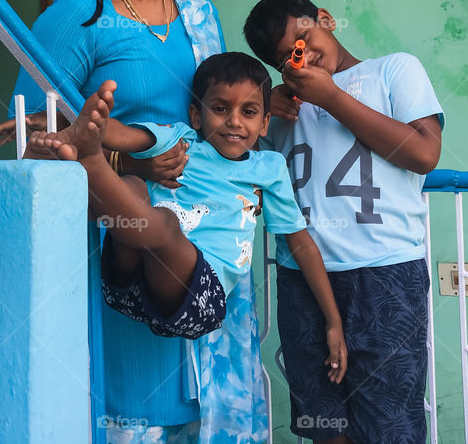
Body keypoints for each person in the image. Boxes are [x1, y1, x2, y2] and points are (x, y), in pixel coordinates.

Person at [0, 0, 267, 443]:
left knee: (204, 408)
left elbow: (220, 113)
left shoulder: (198, 9)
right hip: (119, 232)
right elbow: (31, 140)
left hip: (206, 229)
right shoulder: (77, 15)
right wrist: (131, 165)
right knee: (137, 410)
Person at [27, 54, 348, 387]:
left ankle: (90, 164)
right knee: (134, 186)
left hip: (199, 300)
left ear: (265, 123)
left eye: (249, 112)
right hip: (126, 282)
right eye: (220, 109)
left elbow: (300, 243)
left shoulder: (268, 168)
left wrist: (333, 320)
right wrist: (89, 122)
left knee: (165, 221)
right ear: (196, 115)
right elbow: (123, 135)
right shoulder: (180, 140)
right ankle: (84, 163)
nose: (234, 122)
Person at [243, 0, 444, 444]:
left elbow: (424, 152)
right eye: (287, 59)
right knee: (325, 423)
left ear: (326, 19)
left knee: (390, 425)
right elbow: (244, 172)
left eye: (304, 40)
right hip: (302, 280)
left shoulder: (393, 70)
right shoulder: (283, 108)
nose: (303, 57)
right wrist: (260, 109)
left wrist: (331, 97)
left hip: (385, 273)